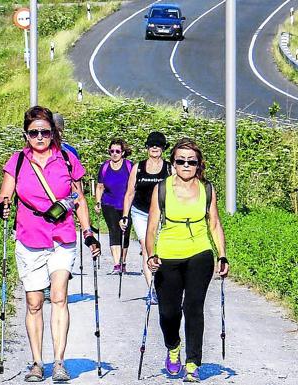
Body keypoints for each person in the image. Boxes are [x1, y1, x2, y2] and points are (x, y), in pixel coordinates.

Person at [0, 106, 100, 383]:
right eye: (34, 133)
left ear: (53, 132)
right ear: (26, 134)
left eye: (45, 131)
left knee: (59, 296)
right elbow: (5, 195)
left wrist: (88, 232)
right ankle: (37, 362)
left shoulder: (67, 159)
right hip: (29, 238)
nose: (40, 137)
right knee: (33, 302)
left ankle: (59, 363)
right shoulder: (17, 161)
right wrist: (4, 207)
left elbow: (79, 199)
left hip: (62, 237)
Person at [145, 138, 229, 382]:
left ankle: (193, 362)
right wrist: (152, 254)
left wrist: (222, 254)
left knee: (193, 307)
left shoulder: (207, 188)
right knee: (169, 313)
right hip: (168, 254)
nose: (185, 165)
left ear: (198, 164)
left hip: (200, 252)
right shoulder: (161, 188)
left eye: (191, 161)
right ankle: (173, 347)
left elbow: (214, 223)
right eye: (180, 160)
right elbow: (151, 228)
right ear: (172, 163)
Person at [120, 131, 172, 304]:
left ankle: (165, 285)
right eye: (152, 145)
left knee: (162, 248)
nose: (155, 148)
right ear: (147, 147)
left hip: (163, 214)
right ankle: (153, 289)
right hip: (141, 213)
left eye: (158, 145)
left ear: (164, 148)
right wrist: (125, 216)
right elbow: (129, 193)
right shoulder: (138, 167)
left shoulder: (169, 168)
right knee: (147, 246)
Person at [94, 139, 133, 274]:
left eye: (118, 151)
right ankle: (116, 264)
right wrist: (98, 202)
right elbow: (99, 187)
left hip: (126, 205)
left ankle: (123, 262)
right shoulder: (104, 167)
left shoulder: (129, 166)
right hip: (109, 203)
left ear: (122, 153)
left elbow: (134, 187)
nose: (115, 154)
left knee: (125, 233)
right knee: (114, 231)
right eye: (112, 151)